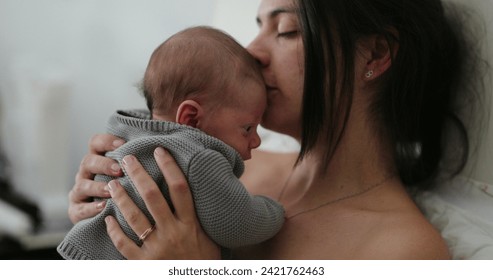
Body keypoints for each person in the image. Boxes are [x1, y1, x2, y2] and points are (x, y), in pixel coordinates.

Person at [68, 0, 479, 259]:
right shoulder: (220, 164)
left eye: (286, 30)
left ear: (374, 53)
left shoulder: (401, 251)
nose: (250, 51)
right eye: (259, 25)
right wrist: (101, 214)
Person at [57, 26, 285, 260]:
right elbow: (238, 225)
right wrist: (274, 211)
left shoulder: (125, 131)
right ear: (191, 118)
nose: (256, 140)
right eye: (248, 128)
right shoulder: (201, 158)